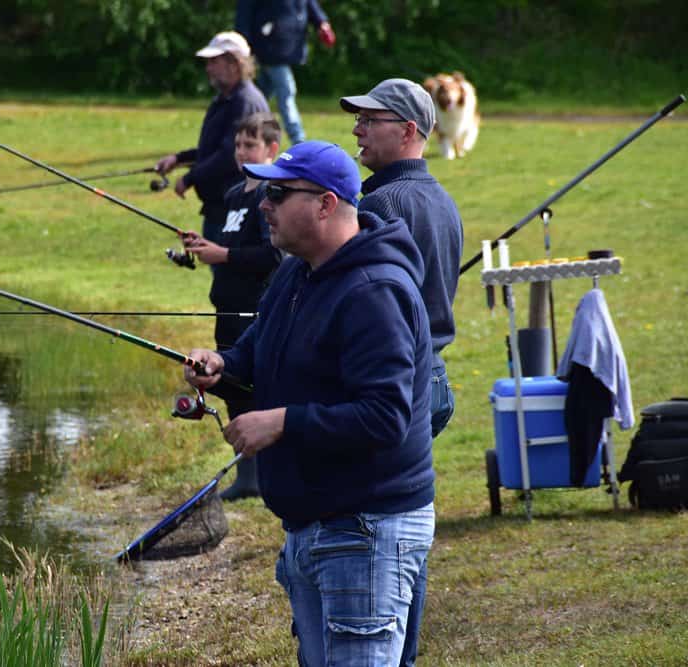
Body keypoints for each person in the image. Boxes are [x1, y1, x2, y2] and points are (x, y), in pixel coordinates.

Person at [184, 140, 435, 665]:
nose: (263, 204)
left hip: (365, 529)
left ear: (324, 204)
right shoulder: (295, 272)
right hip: (314, 525)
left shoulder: (373, 291)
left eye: (278, 192)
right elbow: (259, 351)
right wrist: (223, 367)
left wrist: (282, 423)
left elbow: (385, 417)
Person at [339, 77, 464, 667]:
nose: (357, 129)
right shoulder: (441, 197)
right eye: (358, 119)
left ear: (408, 130)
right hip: (433, 377)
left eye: (371, 120)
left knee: (382, 530)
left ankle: (391, 651)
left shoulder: (379, 204)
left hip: (399, 383)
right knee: (403, 526)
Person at [183, 112, 283, 500]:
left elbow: (272, 256)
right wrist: (198, 249)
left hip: (253, 309)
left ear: (272, 150)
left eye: (250, 145)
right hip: (225, 306)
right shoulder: (232, 194)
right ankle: (248, 471)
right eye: (239, 145)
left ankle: (256, 474)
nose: (241, 152)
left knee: (250, 386)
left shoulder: (269, 194)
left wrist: (222, 254)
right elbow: (225, 248)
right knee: (230, 387)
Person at [156, 31, 269, 245]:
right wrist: (178, 158)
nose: (208, 68)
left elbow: (229, 156)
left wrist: (190, 178)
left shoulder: (244, 102)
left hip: (234, 208)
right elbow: (212, 148)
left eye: (214, 62)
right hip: (218, 207)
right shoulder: (225, 99)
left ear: (235, 64)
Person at [235, 0, 336, 145]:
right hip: (268, 47)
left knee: (261, 95)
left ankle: (240, 127)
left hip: (288, 47)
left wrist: (321, 23)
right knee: (286, 91)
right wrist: (244, 46)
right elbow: (244, 16)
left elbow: (309, 5)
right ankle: (298, 139)